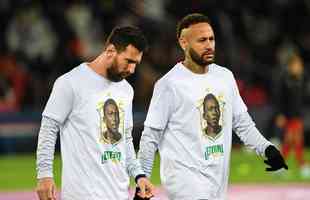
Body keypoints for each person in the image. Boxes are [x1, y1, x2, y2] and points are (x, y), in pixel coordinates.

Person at [137, 13, 288, 200]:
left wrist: (267, 149)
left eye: (211, 39)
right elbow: (150, 136)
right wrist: (142, 177)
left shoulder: (224, 77)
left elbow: (242, 123)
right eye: (201, 40)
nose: (209, 45)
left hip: (217, 183)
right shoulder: (169, 84)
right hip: (184, 184)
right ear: (184, 43)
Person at [36, 26, 154, 200]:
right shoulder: (70, 83)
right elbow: (49, 128)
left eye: (136, 63)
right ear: (111, 50)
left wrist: (139, 175)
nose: (132, 70)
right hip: (82, 195)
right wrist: (44, 175)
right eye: (128, 61)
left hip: (119, 194)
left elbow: (125, 139)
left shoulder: (126, 90)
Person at [274, 53, 310, 177]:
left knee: (293, 140)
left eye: (300, 65)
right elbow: (280, 99)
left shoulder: (302, 79)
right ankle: (301, 165)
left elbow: (303, 99)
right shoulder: (285, 80)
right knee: (292, 140)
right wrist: (280, 114)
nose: (299, 67)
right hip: (288, 115)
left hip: (297, 115)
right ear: (290, 66)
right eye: (296, 65)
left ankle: (280, 165)